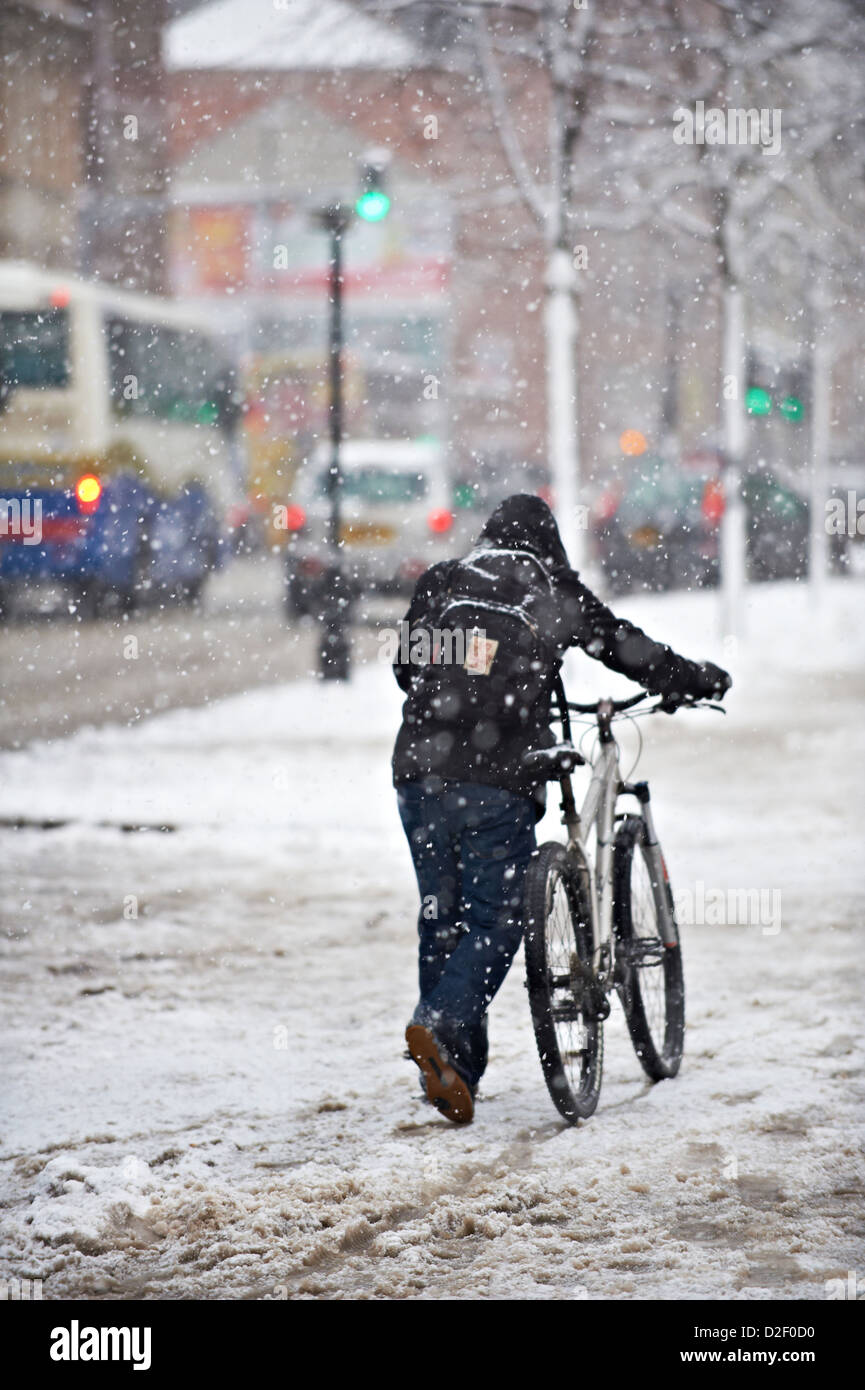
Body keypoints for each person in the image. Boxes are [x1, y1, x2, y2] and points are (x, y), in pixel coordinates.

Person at [393, 494, 731, 1124]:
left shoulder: (443, 579)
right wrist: (694, 678)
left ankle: (454, 1069)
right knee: (495, 922)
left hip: (419, 774)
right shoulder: (550, 587)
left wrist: (462, 673)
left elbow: (405, 668)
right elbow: (626, 650)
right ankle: (439, 1025)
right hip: (497, 777)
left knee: (441, 917)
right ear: (549, 545)